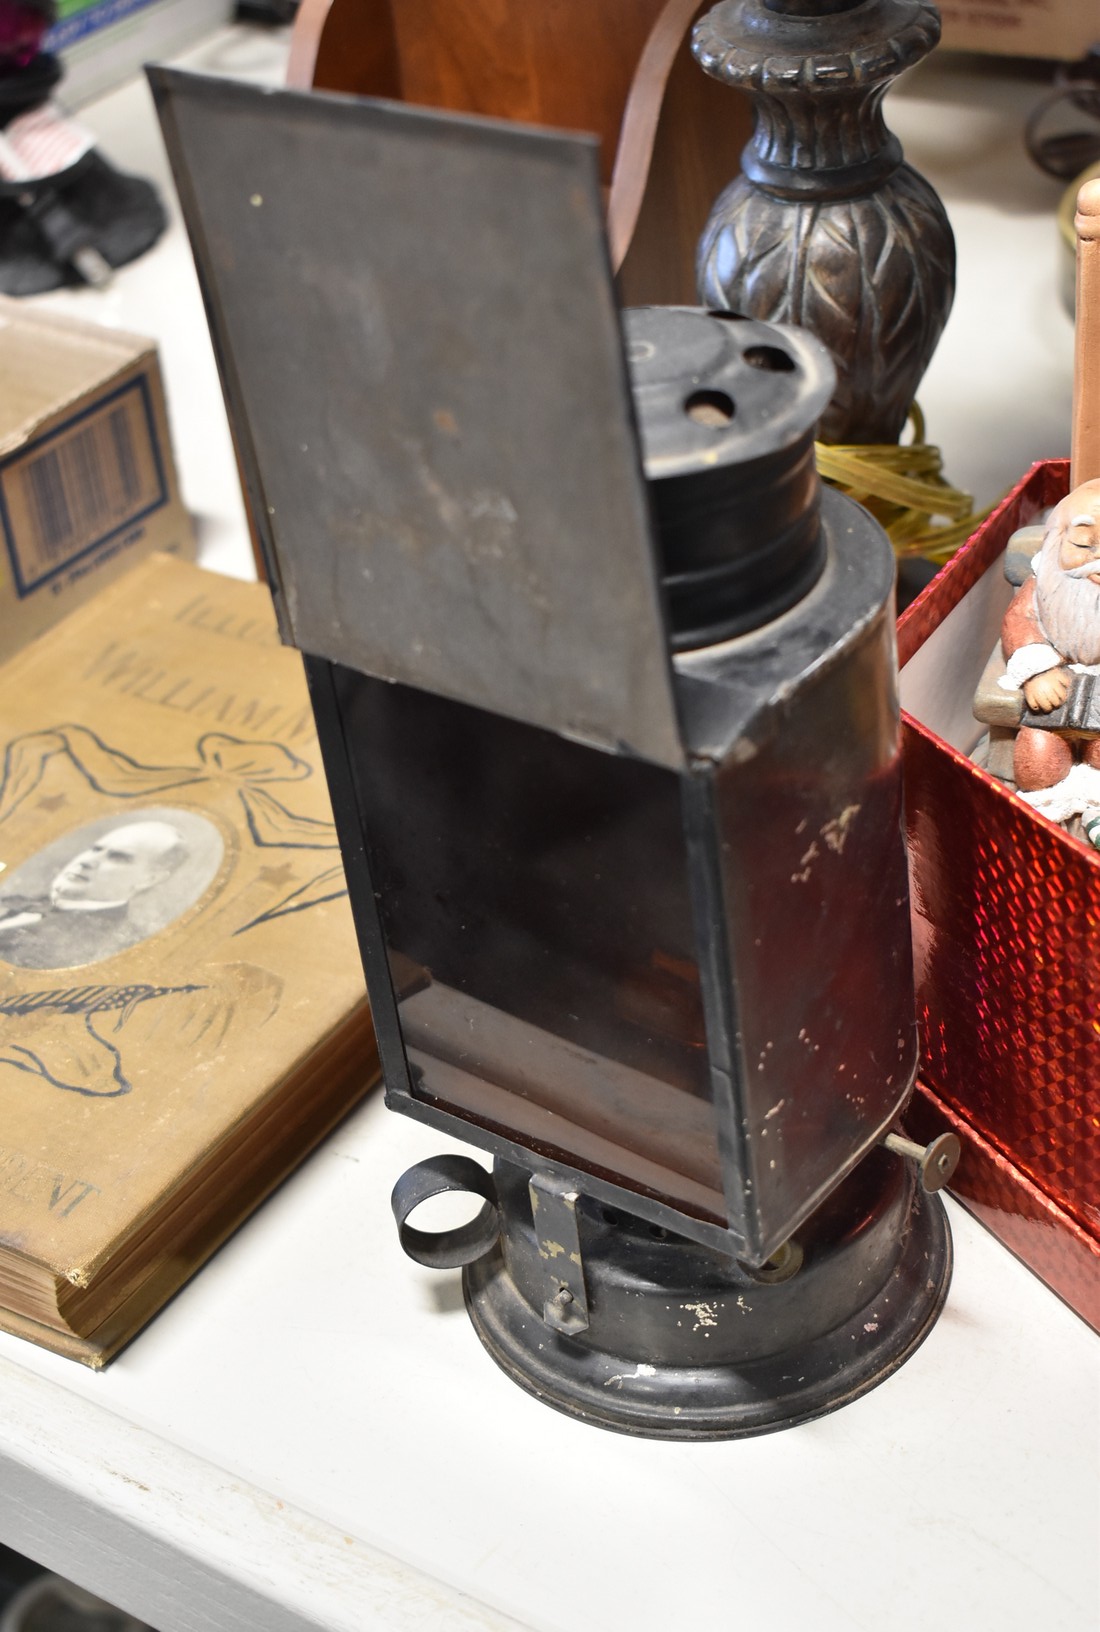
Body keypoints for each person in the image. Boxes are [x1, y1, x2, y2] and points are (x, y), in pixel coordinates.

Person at [999, 479, 1100, 833]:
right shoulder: (1043, 585)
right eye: (1084, 544)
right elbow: (1019, 620)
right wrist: (1036, 670)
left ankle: (1095, 813)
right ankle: (1045, 816)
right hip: (1057, 683)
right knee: (1038, 757)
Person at [0, 817, 188, 969]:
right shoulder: (21, 900)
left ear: (150, 879)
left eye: (117, 857)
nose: (86, 861)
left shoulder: (108, 945)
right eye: (95, 849)